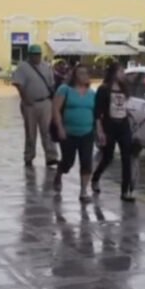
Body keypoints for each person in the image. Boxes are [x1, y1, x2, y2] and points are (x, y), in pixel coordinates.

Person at [52, 64, 96, 203]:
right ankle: (59, 173)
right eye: (80, 73)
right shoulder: (65, 90)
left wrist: (99, 130)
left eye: (86, 73)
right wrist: (60, 127)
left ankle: (83, 191)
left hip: (87, 132)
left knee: (86, 162)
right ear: (75, 75)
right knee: (68, 162)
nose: (84, 76)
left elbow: (96, 113)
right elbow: (56, 110)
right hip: (69, 132)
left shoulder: (92, 93)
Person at [92, 63, 135, 202]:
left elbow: (124, 106)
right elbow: (98, 112)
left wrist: (130, 115)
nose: (123, 73)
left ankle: (125, 191)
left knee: (127, 157)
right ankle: (96, 177)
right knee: (108, 157)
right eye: (121, 71)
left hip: (123, 126)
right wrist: (100, 130)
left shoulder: (125, 88)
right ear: (114, 73)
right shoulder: (104, 89)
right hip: (109, 126)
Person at [11, 44, 60, 167]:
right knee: (30, 132)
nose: (36, 57)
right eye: (34, 55)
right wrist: (25, 98)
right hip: (30, 104)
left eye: (38, 54)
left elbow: (51, 83)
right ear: (30, 55)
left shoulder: (46, 66)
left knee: (47, 131)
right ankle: (29, 156)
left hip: (45, 102)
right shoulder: (23, 67)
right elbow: (18, 84)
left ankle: (51, 156)